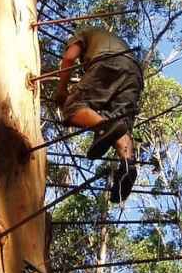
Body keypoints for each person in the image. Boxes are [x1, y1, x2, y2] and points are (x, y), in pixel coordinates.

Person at [53, 26, 143, 202]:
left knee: (72, 107)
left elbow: (70, 57)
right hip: (135, 73)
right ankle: (127, 164)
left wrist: (62, 90)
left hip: (109, 61)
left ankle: (106, 128)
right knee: (119, 122)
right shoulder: (107, 37)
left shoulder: (82, 33)